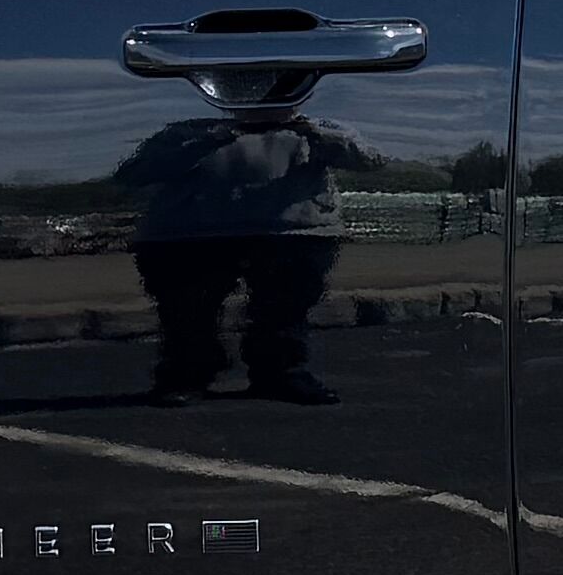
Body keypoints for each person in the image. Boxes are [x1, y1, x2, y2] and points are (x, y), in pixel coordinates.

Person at [117, 77, 377, 402]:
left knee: (285, 310)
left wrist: (309, 131)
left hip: (292, 232)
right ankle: (185, 377)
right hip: (192, 234)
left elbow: (367, 160)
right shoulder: (187, 131)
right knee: (187, 313)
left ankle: (282, 373)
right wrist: (214, 138)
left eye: (279, 98)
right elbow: (134, 174)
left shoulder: (319, 130)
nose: (264, 107)